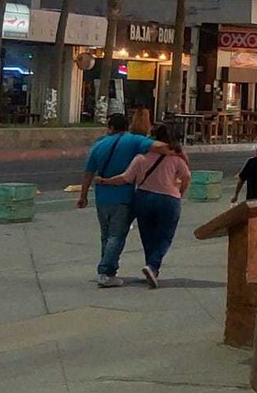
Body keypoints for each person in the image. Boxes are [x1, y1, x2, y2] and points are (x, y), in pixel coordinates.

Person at [80, 114, 171, 288]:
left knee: (106, 236)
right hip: (123, 197)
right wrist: (173, 149)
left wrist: (83, 196)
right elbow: (158, 146)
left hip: (101, 197)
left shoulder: (98, 145)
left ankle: (110, 270)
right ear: (127, 126)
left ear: (110, 127)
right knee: (117, 236)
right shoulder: (134, 141)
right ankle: (105, 272)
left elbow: (88, 173)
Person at [97, 124, 191, 288]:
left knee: (148, 236)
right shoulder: (176, 158)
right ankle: (152, 267)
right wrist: (181, 192)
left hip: (143, 198)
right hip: (169, 199)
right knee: (164, 236)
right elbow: (187, 176)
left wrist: (105, 181)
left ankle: (151, 267)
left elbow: (126, 178)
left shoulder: (141, 158)